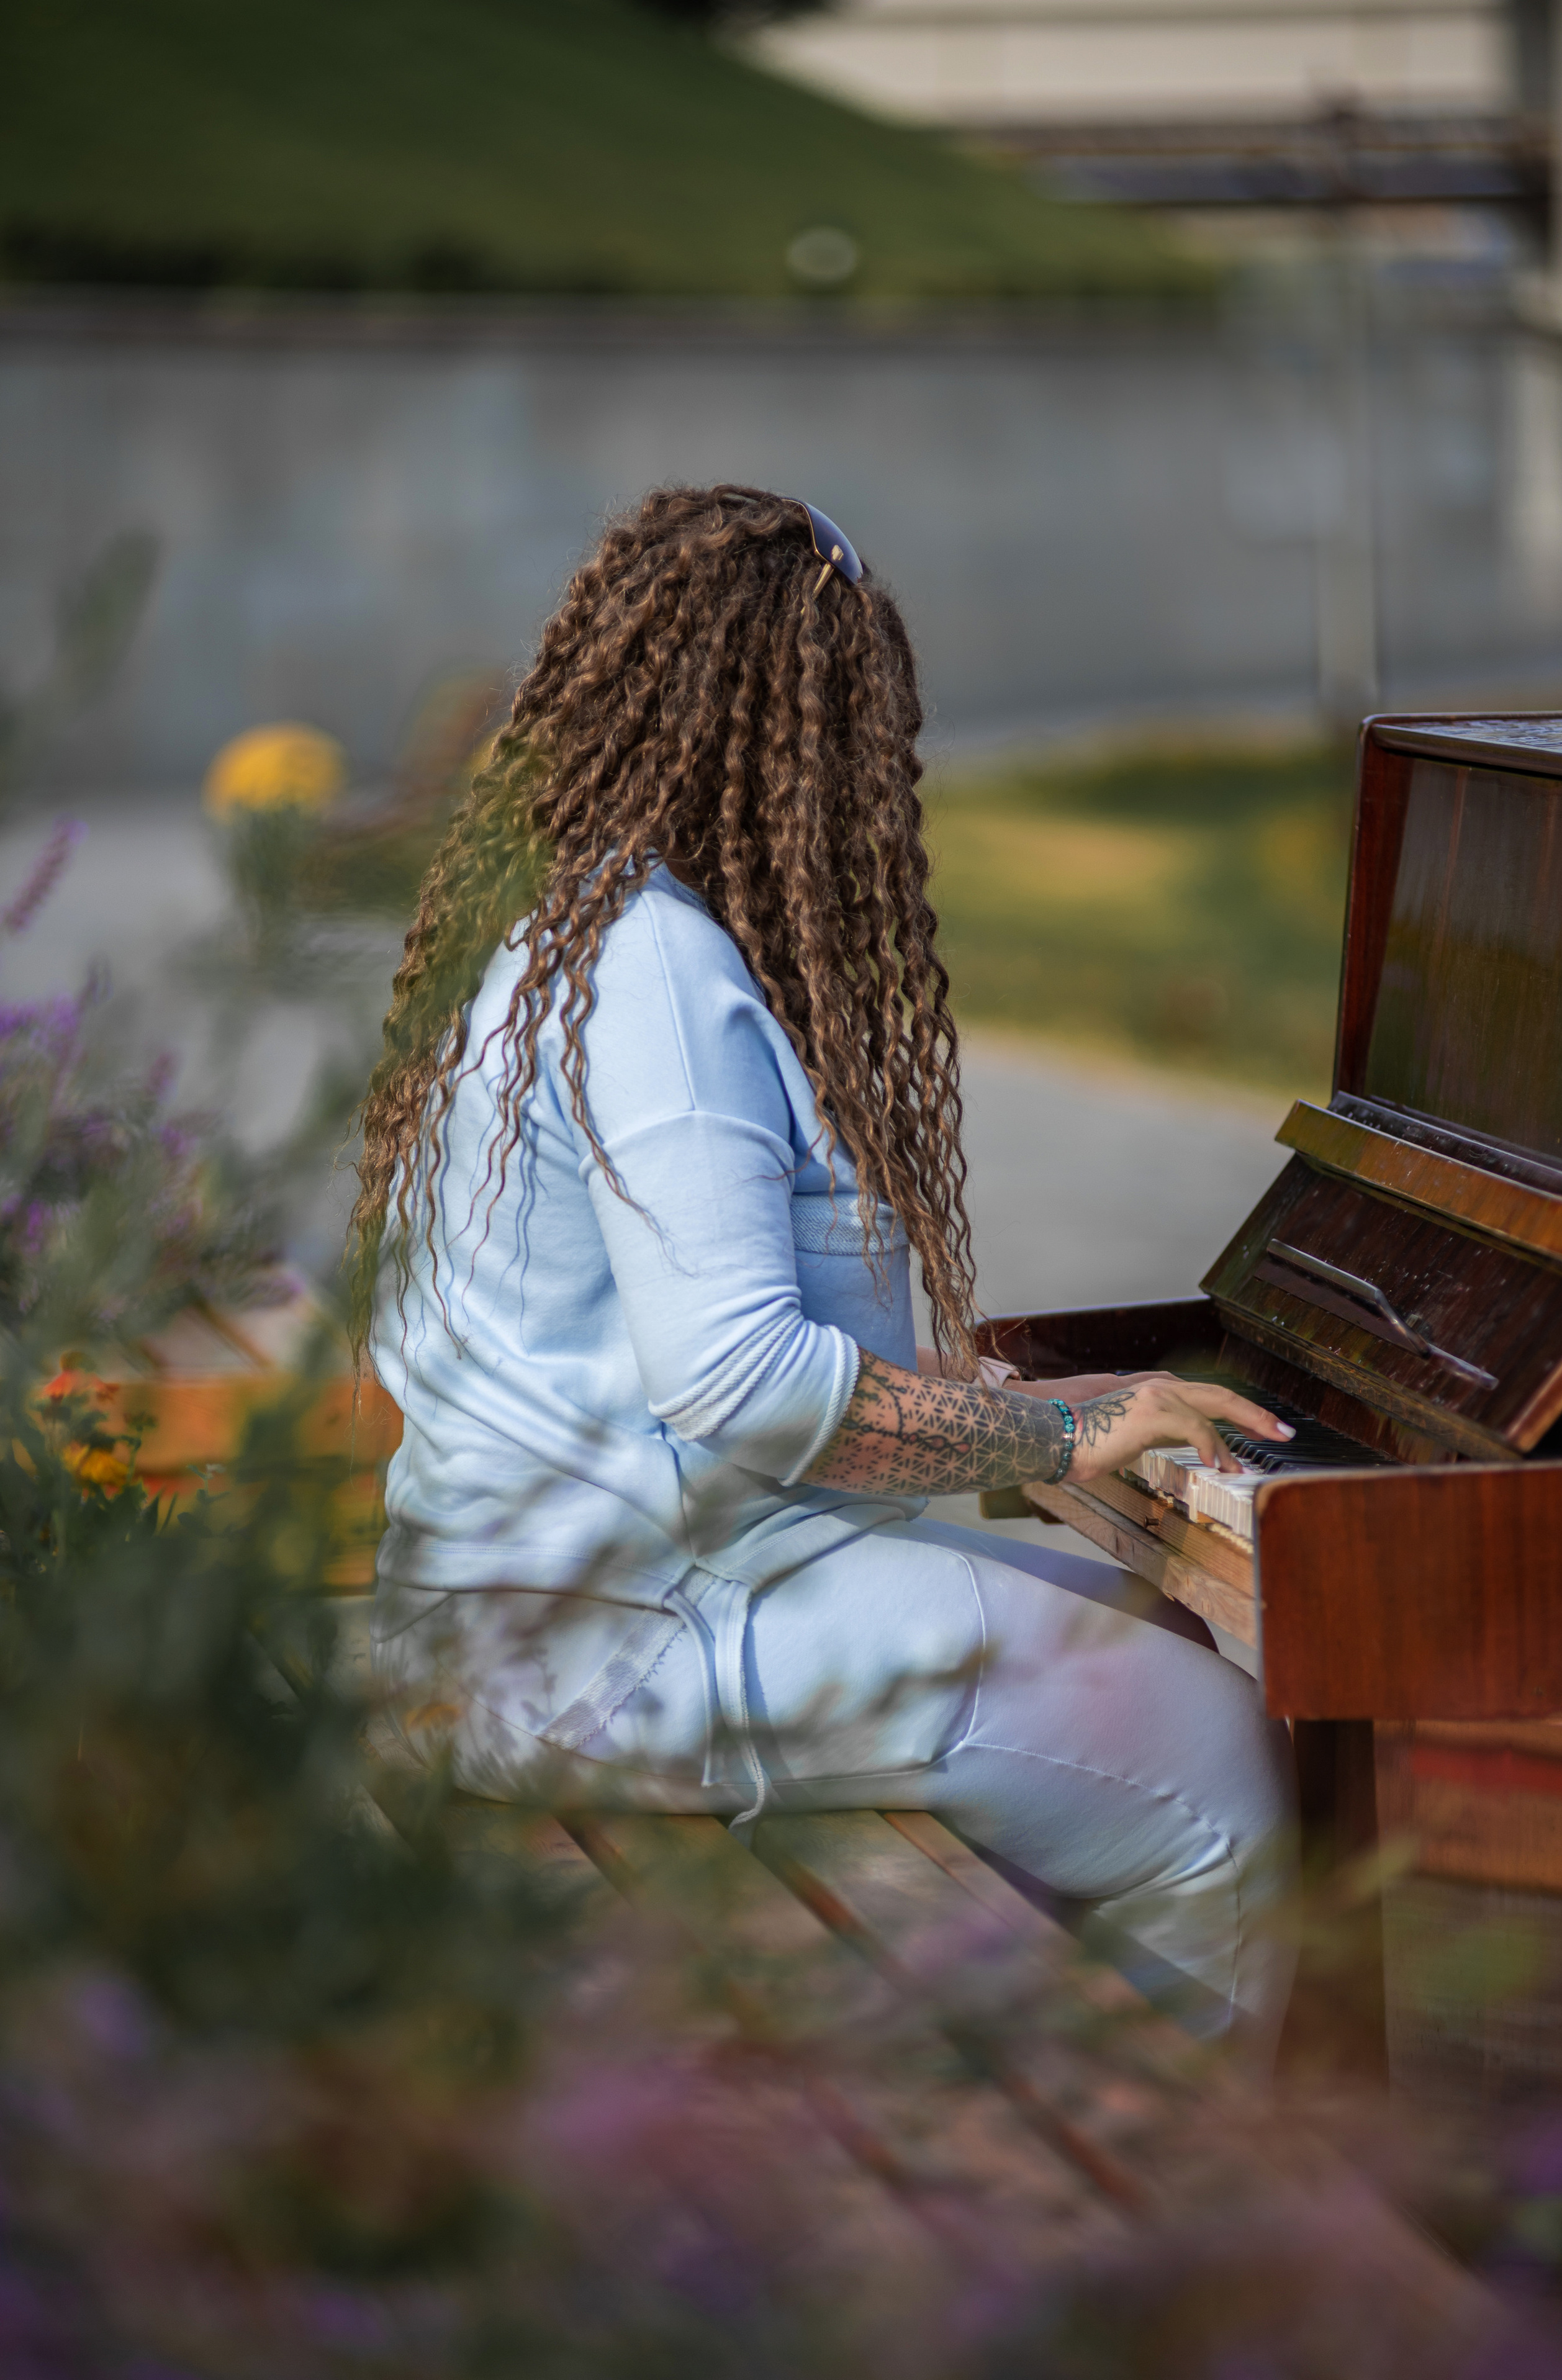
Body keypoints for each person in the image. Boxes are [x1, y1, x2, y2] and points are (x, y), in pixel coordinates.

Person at [350, 484, 1298, 2062]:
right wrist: (1058, 1441)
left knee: (1154, 1618)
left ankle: (1049, 2084)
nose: (871, 788)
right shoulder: (652, 964)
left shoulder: (568, 924)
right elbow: (736, 1387)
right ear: (782, 733)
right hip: (613, 1646)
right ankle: (1183, 2217)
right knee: (1205, 1748)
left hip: (568, 1602)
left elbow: (685, 1363)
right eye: (858, 734)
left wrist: (1083, 1404)